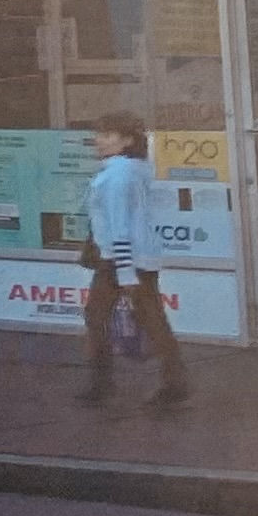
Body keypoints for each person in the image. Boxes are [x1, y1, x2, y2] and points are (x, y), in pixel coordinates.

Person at [79, 114, 189, 408]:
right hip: (132, 259)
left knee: (102, 317)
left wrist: (125, 273)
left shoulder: (117, 175)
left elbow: (120, 227)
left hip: (121, 260)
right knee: (148, 318)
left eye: (108, 134)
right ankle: (172, 381)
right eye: (99, 133)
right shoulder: (129, 171)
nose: (99, 140)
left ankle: (103, 385)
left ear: (127, 140)